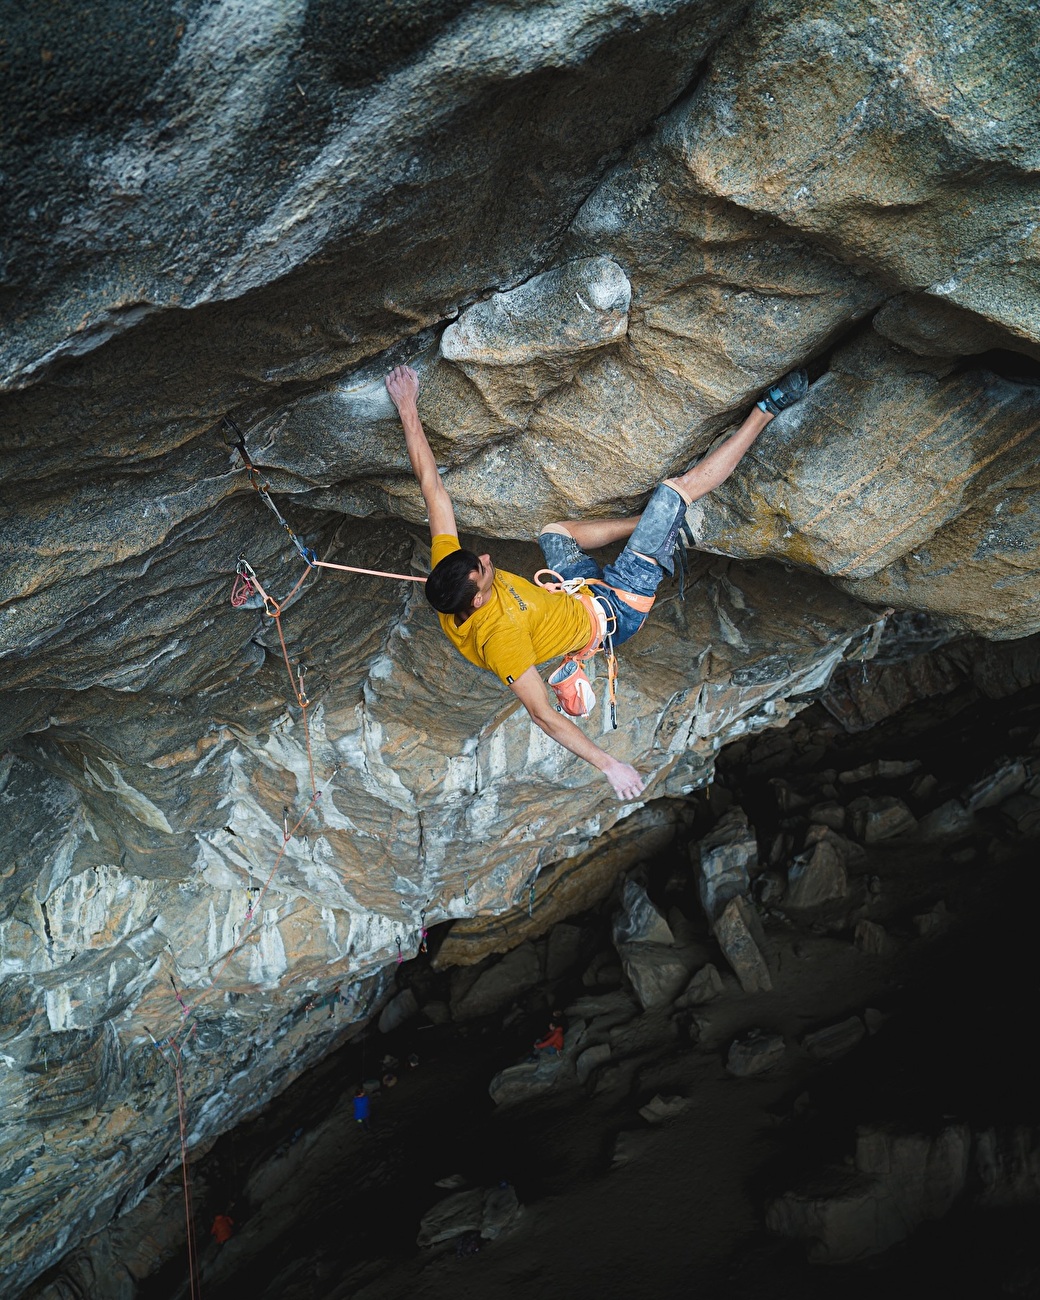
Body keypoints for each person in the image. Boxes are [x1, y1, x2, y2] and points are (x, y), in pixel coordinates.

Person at [385, 364, 808, 801]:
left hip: (580, 591)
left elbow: (432, 488)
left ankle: (653, 528)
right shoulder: (500, 642)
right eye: (486, 569)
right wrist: (610, 765)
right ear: (475, 602)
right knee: (674, 492)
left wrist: (407, 407)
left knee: (554, 533)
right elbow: (543, 715)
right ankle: (766, 412)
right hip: (616, 612)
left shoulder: (451, 570)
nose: (489, 558)